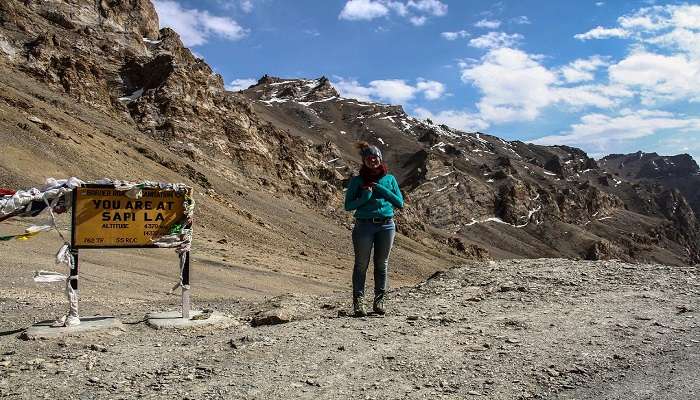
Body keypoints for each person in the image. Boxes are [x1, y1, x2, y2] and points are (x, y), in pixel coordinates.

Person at [344, 142, 404, 317]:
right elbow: (348, 206)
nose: (372, 161)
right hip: (364, 225)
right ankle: (359, 302)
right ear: (364, 161)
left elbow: (399, 203)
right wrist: (365, 197)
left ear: (380, 159)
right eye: (368, 158)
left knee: (381, 264)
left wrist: (381, 189)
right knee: (361, 265)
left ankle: (380, 300)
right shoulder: (357, 180)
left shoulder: (390, 179)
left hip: (386, 225)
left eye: (375, 158)